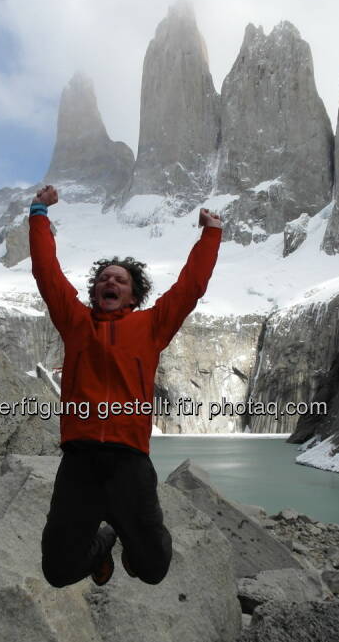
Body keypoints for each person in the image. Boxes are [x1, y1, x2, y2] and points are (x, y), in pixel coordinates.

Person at [30, 184, 222, 587]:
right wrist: (38, 213)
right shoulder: (75, 322)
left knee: (152, 569)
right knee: (57, 571)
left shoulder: (151, 326)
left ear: (132, 294)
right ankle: (102, 544)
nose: (109, 282)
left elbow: (191, 287)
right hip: (79, 463)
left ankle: (125, 539)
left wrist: (210, 234)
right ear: (96, 292)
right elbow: (47, 273)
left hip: (129, 465)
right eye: (103, 279)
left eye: (118, 279)